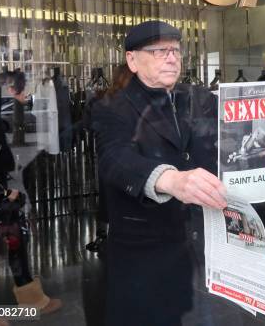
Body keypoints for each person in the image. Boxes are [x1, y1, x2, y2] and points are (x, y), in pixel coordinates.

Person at [92, 21, 228, 326]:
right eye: (158, 51)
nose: (171, 57)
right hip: (143, 253)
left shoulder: (198, 97)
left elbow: (243, 121)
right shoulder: (111, 105)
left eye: (176, 50)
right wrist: (170, 179)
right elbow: (114, 157)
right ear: (132, 60)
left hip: (196, 246)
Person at [0, 72, 61, 326]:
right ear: (9, 91)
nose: (25, 95)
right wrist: (4, 191)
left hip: (9, 197)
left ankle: (31, 300)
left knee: (16, 246)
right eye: (20, 91)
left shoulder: (2, 116)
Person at [85, 64, 134, 253]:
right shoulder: (130, 102)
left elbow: (90, 125)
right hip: (126, 160)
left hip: (108, 160)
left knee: (107, 199)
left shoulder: (103, 100)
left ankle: (104, 236)